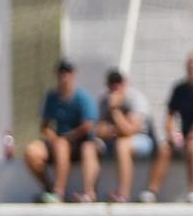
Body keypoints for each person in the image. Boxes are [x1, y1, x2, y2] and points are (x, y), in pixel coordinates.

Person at [144, 50, 193, 204]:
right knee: (164, 148)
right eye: (190, 64)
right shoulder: (179, 89)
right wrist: (171, 134)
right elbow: (169, 115)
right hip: (186, 137)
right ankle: (151, 191)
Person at [23, 60, 99, 203]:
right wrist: (52, 136)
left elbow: (88, 126)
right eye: (61, 72)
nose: (64, 75)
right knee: (32, 151)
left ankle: (59, 191)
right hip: (59, 140)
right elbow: (44, 125)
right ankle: (49, 188)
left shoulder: (82, 97)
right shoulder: (52, 97)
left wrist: (66, 137)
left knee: (61, 144)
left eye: (67, 72)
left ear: (73, 74)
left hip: (78, 142)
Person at [97, 69, 155, 204]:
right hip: (114, 139)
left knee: (122, 144)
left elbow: (130, 130)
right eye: (112, 84)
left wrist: (115, 111)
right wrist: (118, 129)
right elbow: (98, 130)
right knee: (89, 146)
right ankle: (89, 193)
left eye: (118, 83)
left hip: (143, 140)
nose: (115, 87)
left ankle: (123, 194)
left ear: (125, 83)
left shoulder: (136, 98)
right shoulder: (104, 100)